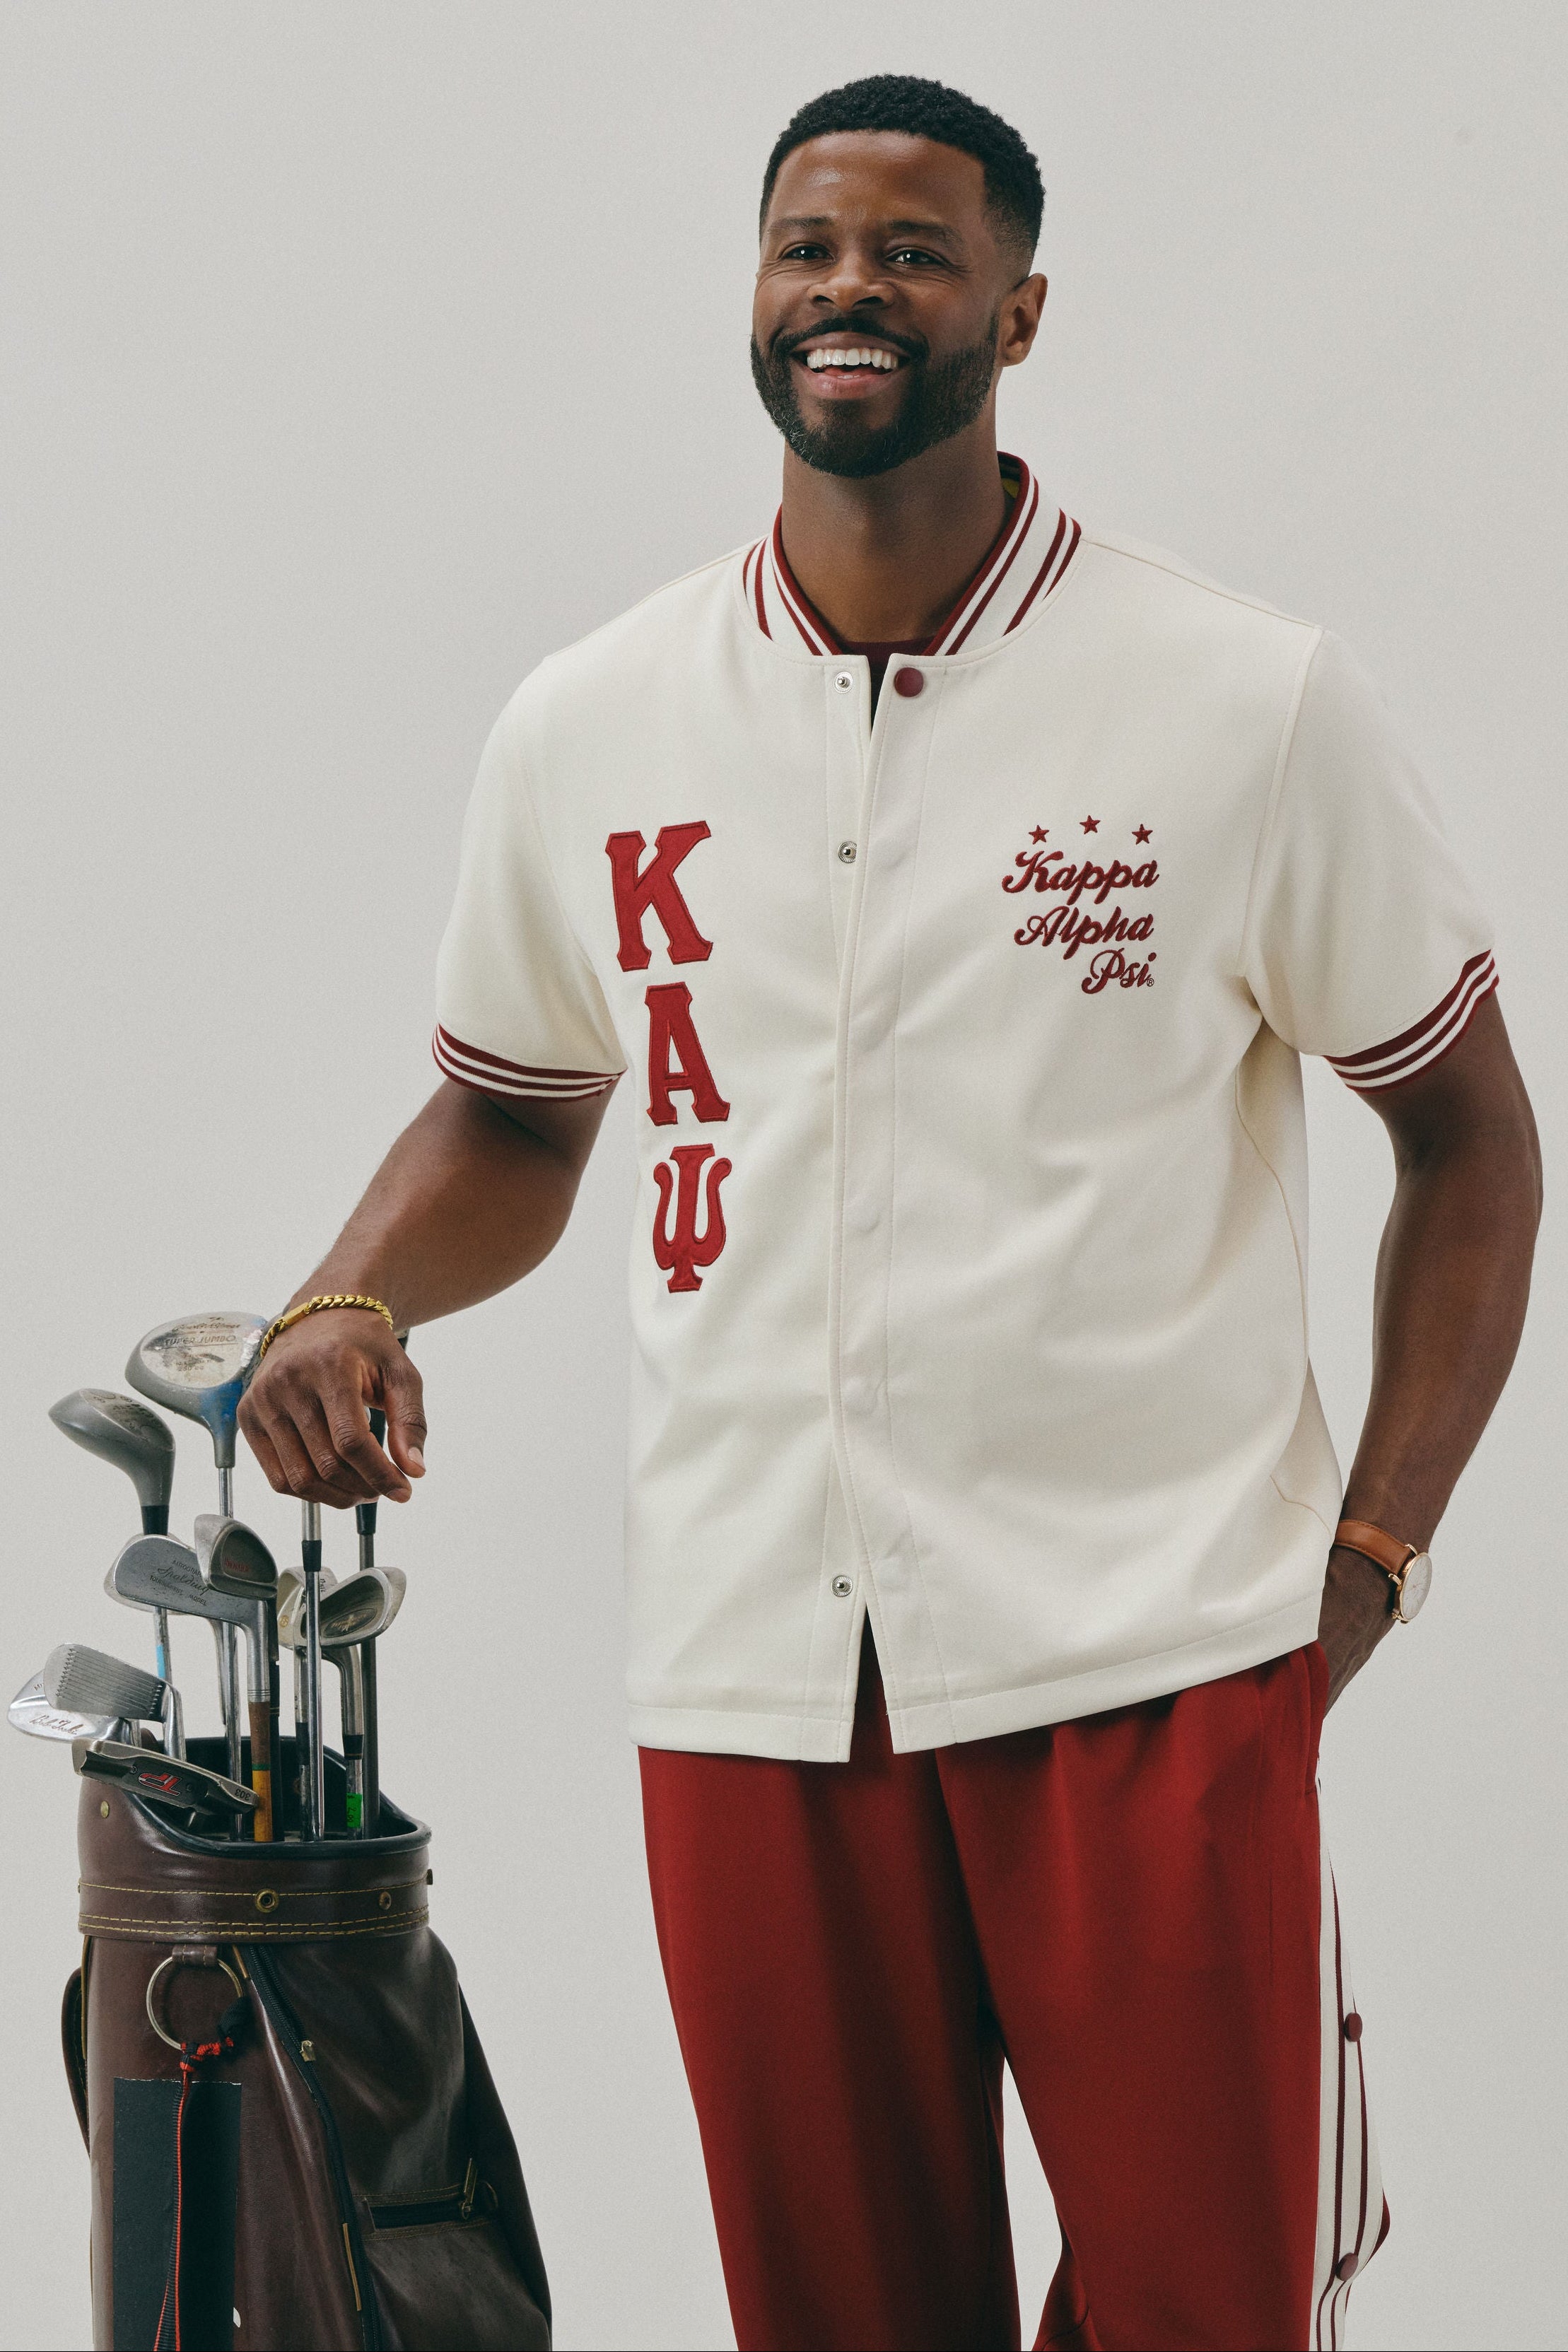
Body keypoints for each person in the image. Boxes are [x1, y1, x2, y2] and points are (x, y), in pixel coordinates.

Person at [238, 74, 1540, 2352]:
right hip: (751, 1668)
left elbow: (1468, 1142)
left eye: (915, 254)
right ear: (754, 292)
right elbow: (514, 1117)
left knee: (1208, 2314)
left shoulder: (1240, 702)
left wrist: (1368, 1561)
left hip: (1149, 1665)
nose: (850, 289)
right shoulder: (594, 718)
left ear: (1017, 314)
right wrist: (345, 1298)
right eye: (807, 247)